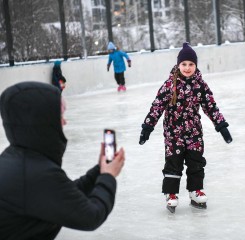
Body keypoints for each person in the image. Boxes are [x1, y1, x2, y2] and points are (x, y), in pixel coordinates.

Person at [0, 81, 125, 239]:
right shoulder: (34, 173)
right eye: (59, 115)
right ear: (43, 122)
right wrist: (108, 176)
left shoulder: (20, 159)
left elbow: (63, 196)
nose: (64, 121)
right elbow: (91, 216)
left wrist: (100, 170)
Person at [138, 42, 232, 213]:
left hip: (194, 132)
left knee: (196, 162)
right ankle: (171, 193)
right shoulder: (169, 85)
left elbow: (210, 107)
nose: (187, 68)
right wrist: (147, 127)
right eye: (184, 64)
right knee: (174, 162)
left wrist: (221, 125)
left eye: (191, 64)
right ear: (178, 65)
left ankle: (195, 191)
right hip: (173, 133)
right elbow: (157, 107)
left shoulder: (200, 85)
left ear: (195, 66)